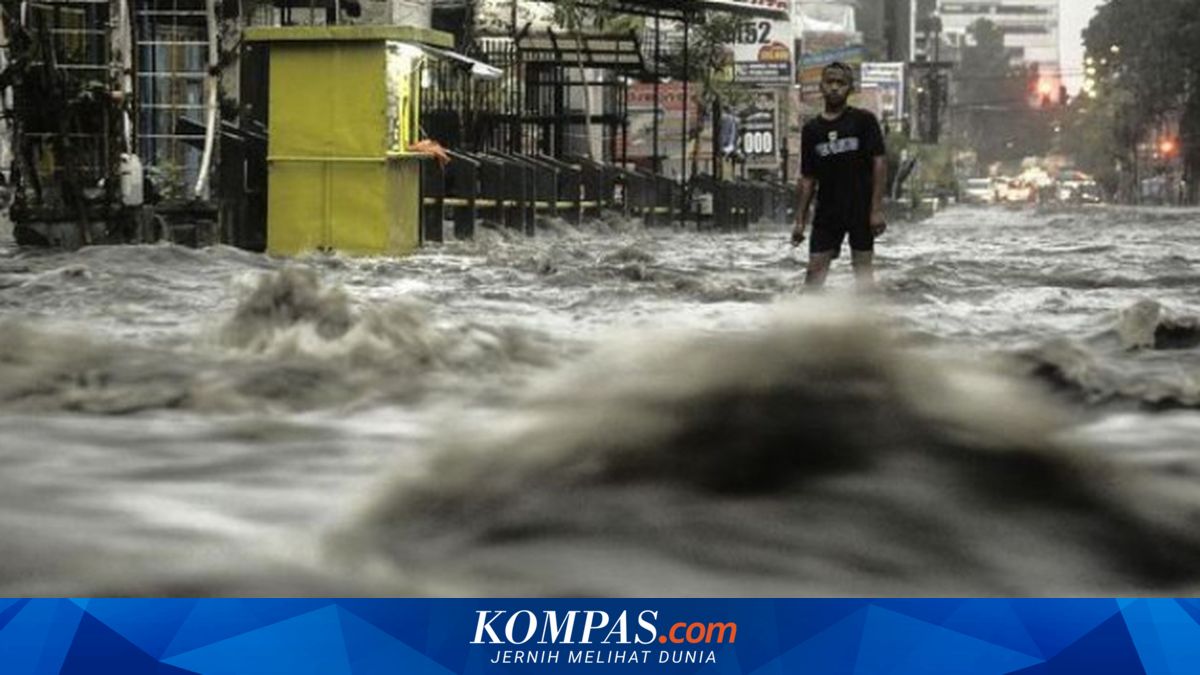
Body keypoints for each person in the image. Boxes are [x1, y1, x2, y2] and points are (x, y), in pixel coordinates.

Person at [792, 62, 888, 290]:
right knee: (814, 275)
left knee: (863, 274)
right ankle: (810, 321)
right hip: (827, 211)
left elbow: (880, 163)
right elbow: (808, 178)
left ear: (850, 88)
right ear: (821, 87)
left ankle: (866, 320)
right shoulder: (812, 130)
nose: (835, 87)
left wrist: (876, 209)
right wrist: (800, 221)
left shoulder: (864, 121)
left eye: (841, 83)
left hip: (860, 209)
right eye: (830, 82)